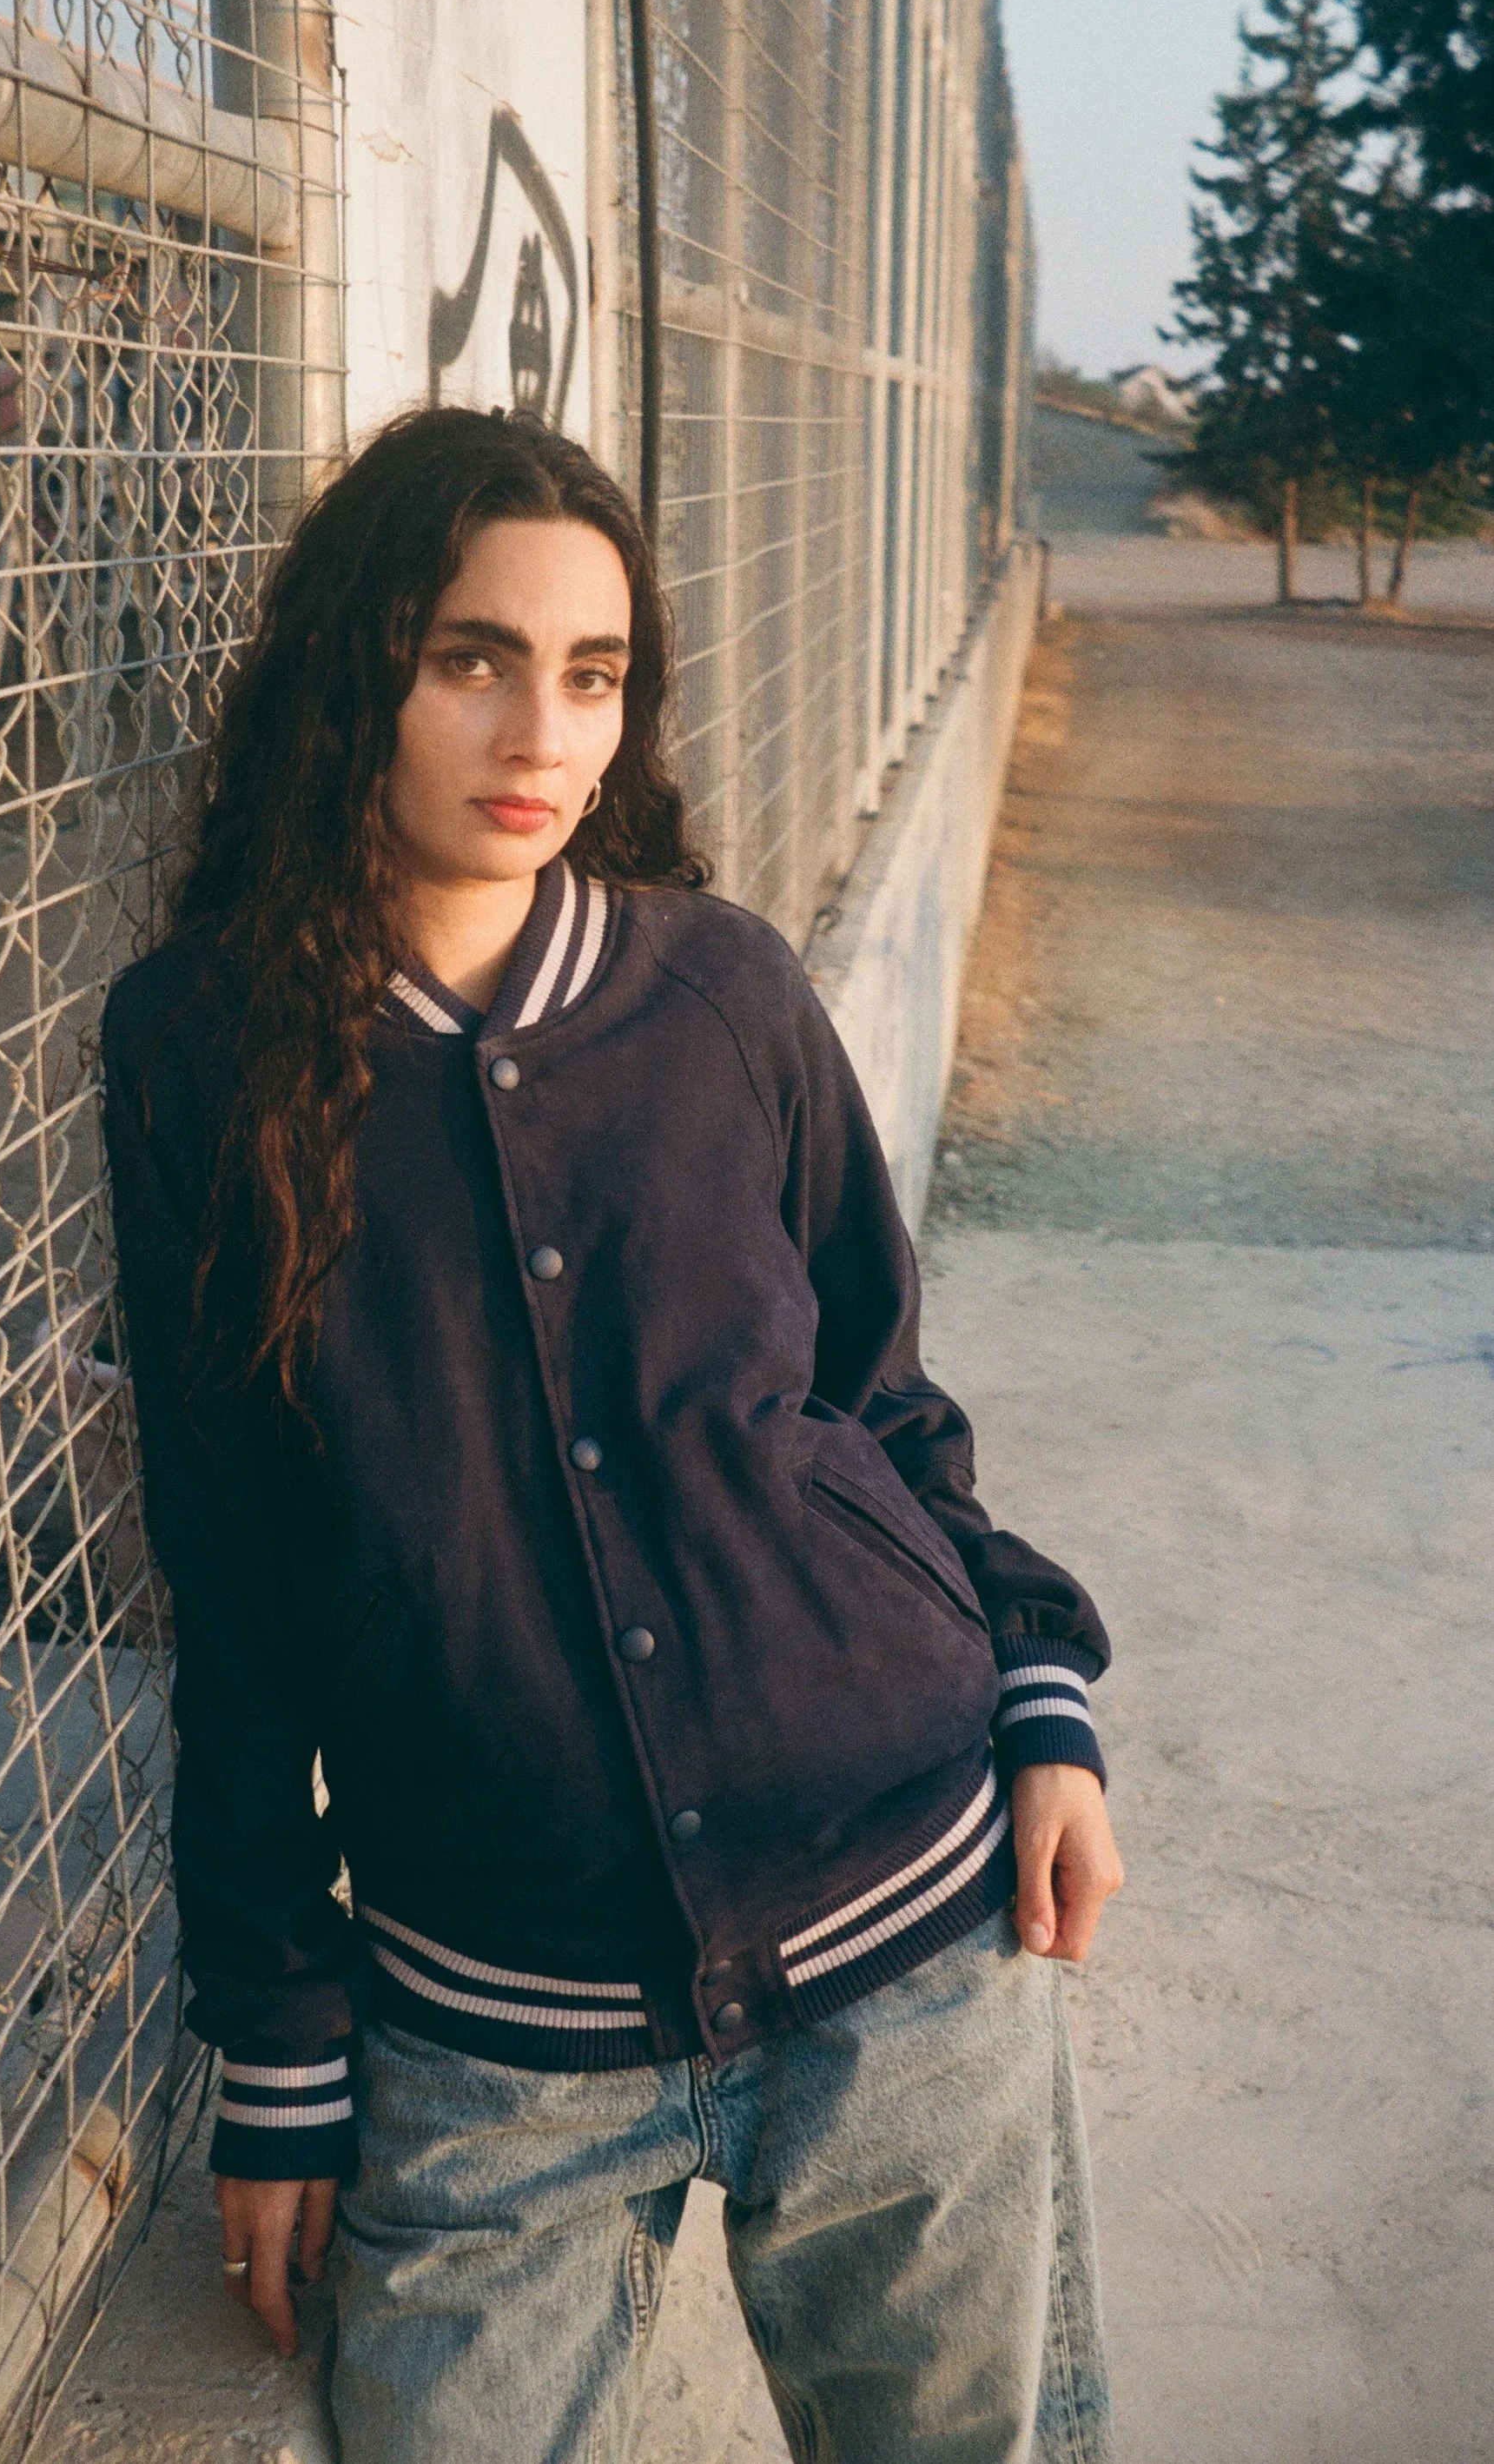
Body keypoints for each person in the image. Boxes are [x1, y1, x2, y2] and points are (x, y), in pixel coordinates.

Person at [101, 405, 1123, 2464]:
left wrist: (1042, 1701)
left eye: (591, 673)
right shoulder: (198, 1046)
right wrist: (280, 2042)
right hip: (498, 2015)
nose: (536, 731)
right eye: (471, 656)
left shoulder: (722, 991)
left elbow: (879, 1396)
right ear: (357, 669)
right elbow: (229, 1571)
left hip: (902, 1917)